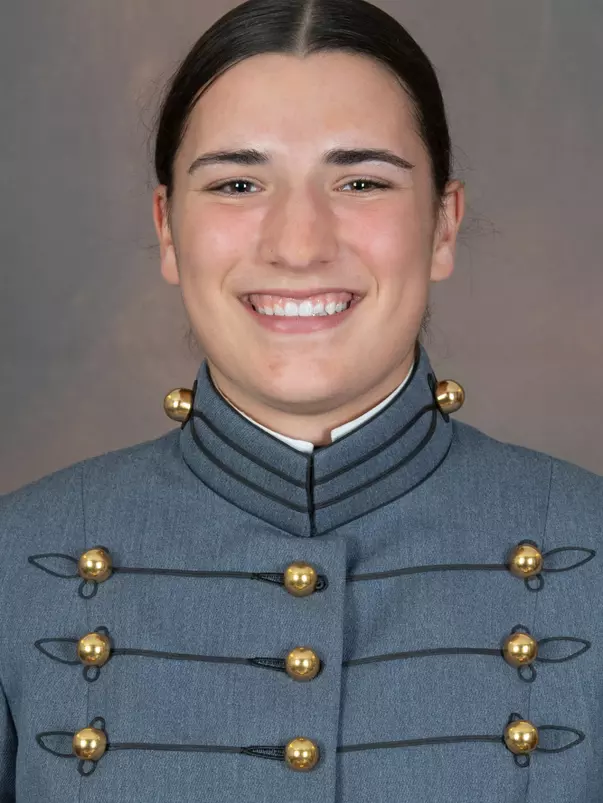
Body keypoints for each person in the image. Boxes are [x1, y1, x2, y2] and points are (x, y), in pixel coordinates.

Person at [1, 0, 601, 800]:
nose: (297, 243)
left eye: (360, 180)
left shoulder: (586, 548)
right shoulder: (18, 560)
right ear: (169, 231)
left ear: (443, 227)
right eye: (237, 182)